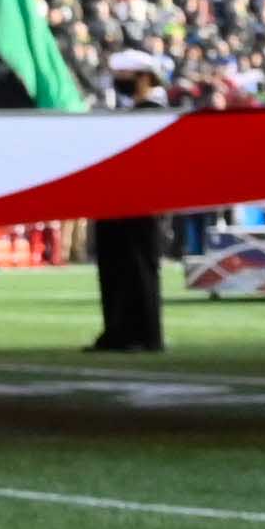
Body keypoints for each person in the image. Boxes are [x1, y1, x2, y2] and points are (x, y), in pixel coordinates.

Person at [87, 50, 177, 354]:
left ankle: (144, 334)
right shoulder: (132, 114)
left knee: (139, 269)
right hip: (117, 203)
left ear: (145, 78)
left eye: (125, 77)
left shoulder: (155, 114)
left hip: (142, 204)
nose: (119, 82)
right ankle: (118, 330)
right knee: (115, 267)